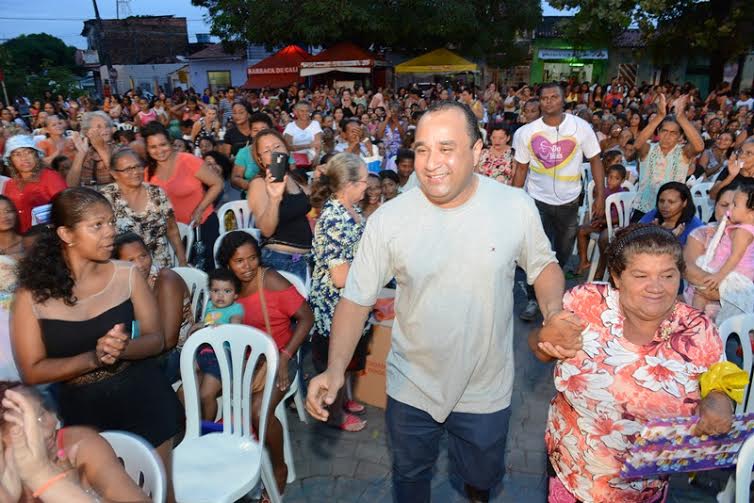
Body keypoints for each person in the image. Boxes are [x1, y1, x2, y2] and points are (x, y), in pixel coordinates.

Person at [306, 100, 581, 503]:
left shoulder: (513, 206)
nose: (431, 163)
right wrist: (333, 371)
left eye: (447, 148)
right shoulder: (389, 218)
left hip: (486, 387)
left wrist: (554, 312)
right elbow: (355, 299)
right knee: (410, 477)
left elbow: (543, 267)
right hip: (411, 384)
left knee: (481, 484)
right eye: (421, 149)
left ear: (476, 152)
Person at [539, 224, 734, 502]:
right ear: (617, 277)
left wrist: (717, 401)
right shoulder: (586, 303)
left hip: (645, 487)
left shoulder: (698, 329)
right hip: (573, 472)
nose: (656, 287)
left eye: (668, 275)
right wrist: (544, 337)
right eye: (641, 275)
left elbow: (719, 383)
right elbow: (542, 348)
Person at [11, 188, 183, 500]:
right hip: (82, 412)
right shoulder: (31, 297)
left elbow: (156, 339)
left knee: (160, 494)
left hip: (143, 397)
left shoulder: (126, 274)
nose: (110, 233)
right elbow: (32, 372)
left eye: (111, 223)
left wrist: (122, 349)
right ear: (66, 233)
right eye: (97, 226)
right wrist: (94, 357)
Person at [216, 231, 313, 496]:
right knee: (199, 394)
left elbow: (306, 318)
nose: (247, 267)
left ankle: (279, 467)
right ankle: (228, 462)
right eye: (239, 261)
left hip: (282, 356)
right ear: (227, 264)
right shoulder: (226, 288)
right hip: (246, 361)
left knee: (258, 411)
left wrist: (284, 356)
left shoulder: (269, 279)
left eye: (252, 258)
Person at [513, 83, 604, 320]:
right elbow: (521, 169)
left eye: (555, 97)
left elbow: (595, 160)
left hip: (569, 201)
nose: (549, 101)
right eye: (545, 98)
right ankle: (534, 300)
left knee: (562, 252)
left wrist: (600, 196)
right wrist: (513, 200)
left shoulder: (581, 128)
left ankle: (553, 290)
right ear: (539, 101)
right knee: (538, 253)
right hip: (537, 201)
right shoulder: (526, 133)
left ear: (564, 100)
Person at [0, 383, 150, 502]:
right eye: (30, 426)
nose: (53, 422)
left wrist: (81, 492)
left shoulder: (79, 445)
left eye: (42, 413)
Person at [309, 153, 369, 432]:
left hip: (353, 300)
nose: (368, 186)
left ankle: (345, 399)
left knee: (350, 357)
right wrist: (374, 266)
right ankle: (333, 414)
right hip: (334, 305)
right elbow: (341, 276)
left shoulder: (352, 209)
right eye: (365, 181)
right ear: (349, 185)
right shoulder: (334, 219)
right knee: (333, 359)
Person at [113, 232, 192, 385]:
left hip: (179, 355)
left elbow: (168, 341)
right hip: (147, 350)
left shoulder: (166, 279)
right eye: (131, 260)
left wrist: (127, 352)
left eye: (143, 256)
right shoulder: (123, 284)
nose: (140, 264)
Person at [142, 122, 223, 271]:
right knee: (181, 273)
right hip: (173, 234)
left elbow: (217, 184)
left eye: (163, 144)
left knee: (205, 272)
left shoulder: (188, 160)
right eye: (153, 147)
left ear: (170, 143)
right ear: (147, 149)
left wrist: (200, 209)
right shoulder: (148, 172)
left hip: (201, 226)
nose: (159, 150)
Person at [100, 148, 187, 269]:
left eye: (138, 166)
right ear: (114, 174)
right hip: (125, 268)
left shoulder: (157, 193)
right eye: (128, 169)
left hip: (160, 265)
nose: (135, 172)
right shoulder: (106, 198)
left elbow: (172, 230)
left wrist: (183, 263)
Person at [247, 129, 313, 282]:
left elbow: (310, 203)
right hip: (280, 262)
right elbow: (266, 230)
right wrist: (275, 199)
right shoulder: (259, 184)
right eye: (267, 150)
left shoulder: (292, 177)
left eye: (277, 146)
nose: (274, 152)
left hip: (303, 261)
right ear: (260, 159)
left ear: (286, 149)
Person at [632, 94, 704, 220]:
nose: (667, 136)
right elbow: (637, 145)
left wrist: (681, 118)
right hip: (644, 208)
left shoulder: (683, 152)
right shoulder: (649, 149)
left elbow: (699, 147)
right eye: (664, 131)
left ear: (679, 136)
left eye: (673, 133)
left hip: (673, 211)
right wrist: (659, 116)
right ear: (658, 132)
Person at [690, 185, 754, 320]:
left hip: (735, 274)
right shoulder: (742, 228)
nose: (730, 208)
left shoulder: (743, 232)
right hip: (730, 270)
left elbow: (735, 256)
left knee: (700, 292)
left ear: (751, 214)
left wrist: (719, 276)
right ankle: (701, 321)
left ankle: (696, 322)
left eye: (735, 205)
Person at [192, 268, 244, 421]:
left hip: (221, 357)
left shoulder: (235, 309)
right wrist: (199, 325)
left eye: (227, 291)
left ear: (235, 295)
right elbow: (207, 323)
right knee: (186, 392)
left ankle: (207, 429)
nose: (220, 295)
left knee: (206, 395)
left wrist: (227, 327)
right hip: (203, 352)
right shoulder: (209, 306)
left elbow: (235, 326)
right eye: (216, 290)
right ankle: (192, 424)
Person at [2, 135, 67, 233]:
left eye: (29, 152)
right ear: (11, 160)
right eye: (17, 154)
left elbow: (65, 207)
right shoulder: (9, 184)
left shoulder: (51, 177)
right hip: (20, 239)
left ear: (36, 156)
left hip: (47, 237)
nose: (24, 158)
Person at [575, 164, 629, 275]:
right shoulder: (604, 191)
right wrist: (597, 217)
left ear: (622, 181)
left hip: (615, 226)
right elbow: (596, 208)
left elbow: (617, 218)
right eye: (610, 177)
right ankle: (584, 261)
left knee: (603, 239)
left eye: (616, 178)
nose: (611, 180)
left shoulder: (622, 195)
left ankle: (602, 266)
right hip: (602, 223)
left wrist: (602, 221)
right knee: (581, 230)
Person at [639, 181, 703, 246]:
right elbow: (633, 239)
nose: (665, 206)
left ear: (684, 203)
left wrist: (670, 238)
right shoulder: (653, 215)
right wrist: (649, 233)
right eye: (661, 201)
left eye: (671, 202)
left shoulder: (696, 229)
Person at [67, 111, 116, 188]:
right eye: (99, 127)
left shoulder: (120, 150)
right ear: (87, 132)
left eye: (107, 126)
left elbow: (120, 176)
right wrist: (80, 154)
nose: (105, 130)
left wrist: (100, 148)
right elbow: (71, 185)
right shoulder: (85, 151)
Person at [230, 112, 275, 195]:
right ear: (250, 132)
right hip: (253, 197)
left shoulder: (280, 149)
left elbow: (293, 173)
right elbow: (235, 178)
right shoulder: (244, 152)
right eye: (255, 130)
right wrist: (252, 184)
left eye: (263, 129)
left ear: (271, 131)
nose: (260, 133)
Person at [284, 101, 322, 169]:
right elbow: (288, 147)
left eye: (307, 111)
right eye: (302, 111)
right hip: (295, 159)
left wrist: (316, 156)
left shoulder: (315, 124)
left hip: (312, 157)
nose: (305, 113)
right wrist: (308, 145)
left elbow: (318, 144)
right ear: (296, 112)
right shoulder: (290, 126)